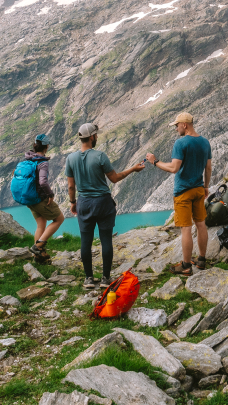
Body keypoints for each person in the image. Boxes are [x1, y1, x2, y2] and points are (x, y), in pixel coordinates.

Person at [66, 122, 146, 288]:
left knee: (85, 241)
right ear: (93, 137)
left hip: (84, 203)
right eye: (96, 135)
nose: (97, 137)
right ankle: (105, 278)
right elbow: (115, 178)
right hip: (102, 202)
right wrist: (133, 169)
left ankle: (88, 278)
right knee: (106, 240)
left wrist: (73, 203)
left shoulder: (71, 159)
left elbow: (71, 186)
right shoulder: (100, 156)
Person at [145, 112, 212, 275]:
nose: (175, 128)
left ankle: (186, 265)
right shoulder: (205, 142)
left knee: (186, 228)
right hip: (198, 189)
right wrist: (206, 186)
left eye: (176, 125)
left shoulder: (181, 143)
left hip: (183, 191)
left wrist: (155, 161)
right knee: (201, 224)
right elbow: (208, 167)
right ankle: (201, 260)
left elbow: (174, 168)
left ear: (184, 125)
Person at [26, 134, 63, 263]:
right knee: (59, 219)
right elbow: (42, 182)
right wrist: (50, 194)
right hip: (38, 198)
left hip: (29, 198)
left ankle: (38, 257)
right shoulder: (42, 162)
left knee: (40, 225)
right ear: (47, 146)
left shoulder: (29, 158)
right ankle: (38, 246)